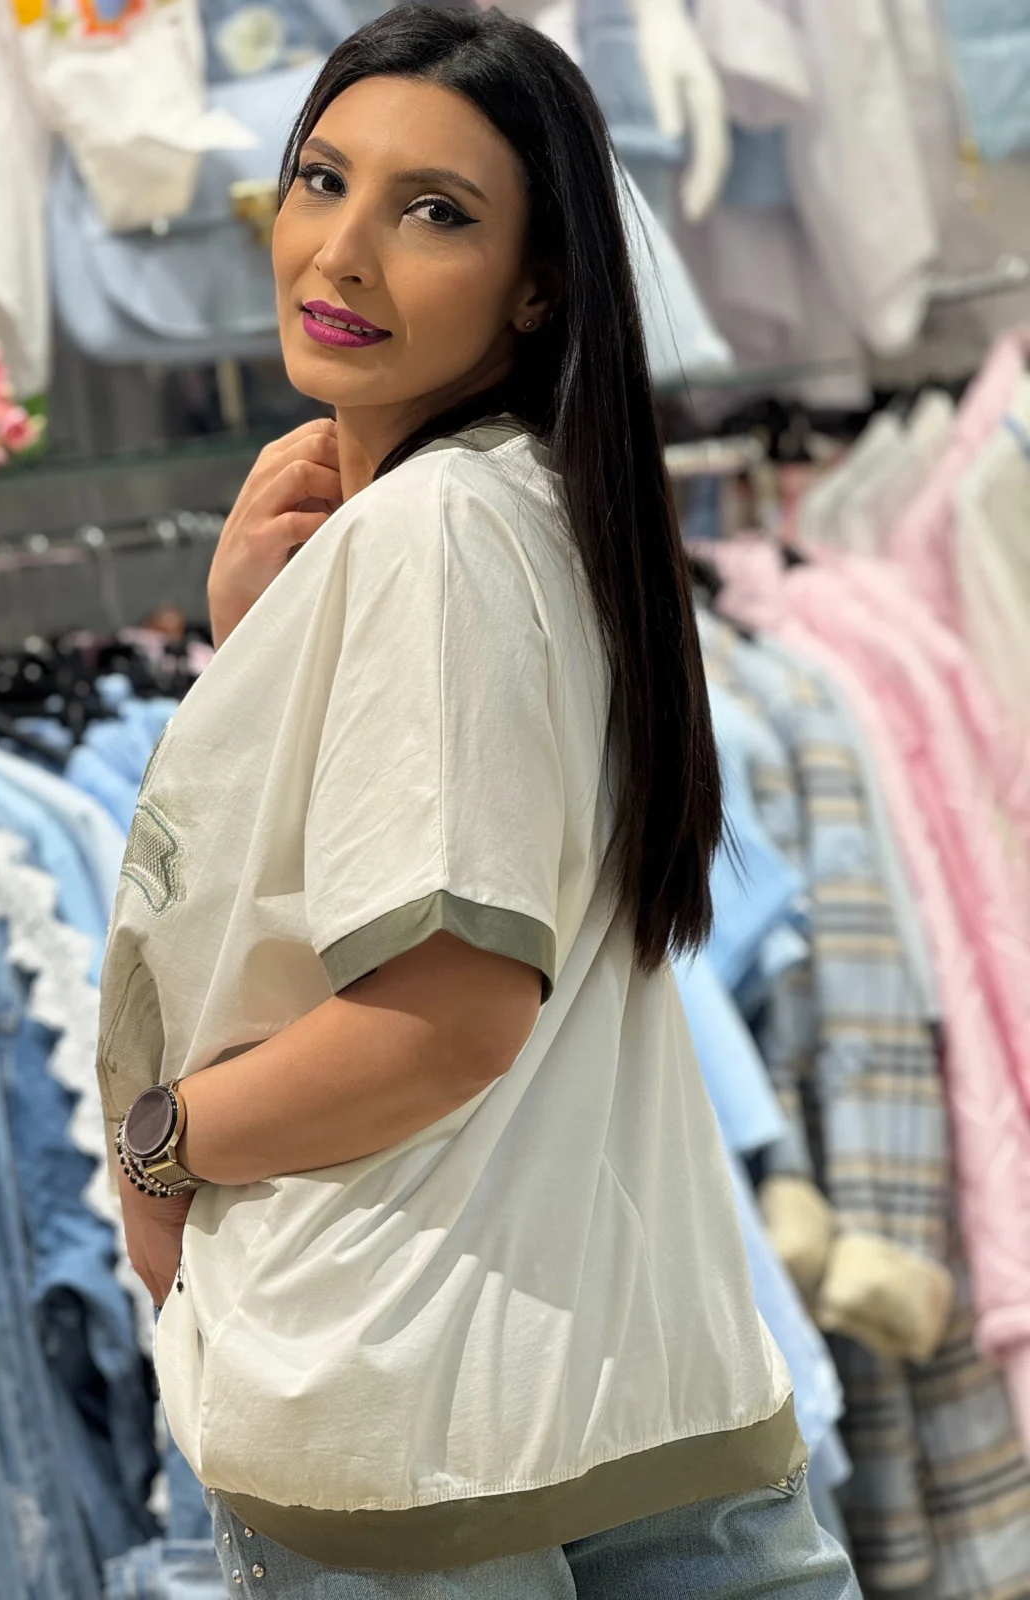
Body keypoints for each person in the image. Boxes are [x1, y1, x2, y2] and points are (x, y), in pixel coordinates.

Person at [97, 7, 860, 1596]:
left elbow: (442, 1022)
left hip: (412, 1410)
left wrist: (164, 1144)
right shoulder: (547, 502)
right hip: (623, 1386)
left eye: (433, 210)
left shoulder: (437, 532)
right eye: (320, 181)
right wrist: (260, 644)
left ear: (539, 281)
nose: (344, 250)